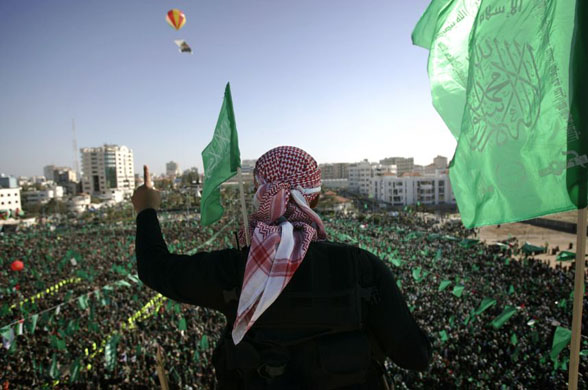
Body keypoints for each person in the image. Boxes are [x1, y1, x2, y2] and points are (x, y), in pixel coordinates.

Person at [132, 146, 431, 389]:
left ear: (259, 194)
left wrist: (146, 209)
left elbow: (156, 268)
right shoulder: (362, 267)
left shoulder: (238, 268)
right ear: (313, 197)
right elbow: (415, 356)